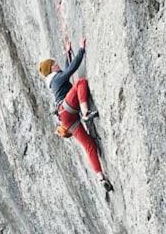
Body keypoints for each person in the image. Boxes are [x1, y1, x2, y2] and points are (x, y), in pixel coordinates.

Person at [39, 39, 113, 192]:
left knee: (89, 146)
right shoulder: (57, 78)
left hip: (66, 119)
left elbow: (66, 70)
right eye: (54, 64)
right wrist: (81, 49)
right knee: (81, 83)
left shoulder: (54, 81)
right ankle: (86, 112)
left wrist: (67, 54)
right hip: (67, 110)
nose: (57, 64)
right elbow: (71, 70)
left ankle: (101, 177)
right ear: (51, 68)